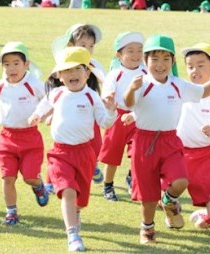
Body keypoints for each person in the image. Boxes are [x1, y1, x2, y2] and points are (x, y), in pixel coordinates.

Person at [123, 34, 210, 244]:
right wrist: (131, 89)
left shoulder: (178, 84)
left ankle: (169, 199)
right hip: (144, 143)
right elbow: (129, 102)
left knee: (181, 180)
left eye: (166, 59)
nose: (160, 64)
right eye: (154, 59)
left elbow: (203, 92)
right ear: (145, 61)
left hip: (171, 141)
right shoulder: (142, 83)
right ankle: (147, 228)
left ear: (173, 62)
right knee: (148, 195)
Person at [29, 46, 117, 251]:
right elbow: (44, 105)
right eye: (66, 71)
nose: (72, 74)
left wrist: (111, 110)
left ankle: (76, 213)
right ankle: (73, 235)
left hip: (85, 153)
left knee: (80, 198)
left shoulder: (92, 97)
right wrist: (37, 115)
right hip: (60, 153)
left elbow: (104, 122)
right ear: (59, 76)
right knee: (67, 190)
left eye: (77, 69)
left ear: (87, 73)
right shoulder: (57, 94)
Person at [0, 42, 48, 225]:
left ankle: (38, 186)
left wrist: (41, 115)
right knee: (8, 177)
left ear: (26, 64)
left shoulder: (33, 84)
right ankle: (11, 213)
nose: (11, 68)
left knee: (29, 177)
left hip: (30, 138)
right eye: (6, 64)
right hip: (7, 138)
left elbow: (49, 99)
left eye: (16, 63)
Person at [176, 43, 210, 242]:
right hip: (177, 151)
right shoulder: (183, 88)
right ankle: (170, 207)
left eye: (200, 65)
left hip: (204, 154)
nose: (194, 70)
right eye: (190, 66)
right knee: (170, 187)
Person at [49, 23, 106, 190]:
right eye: (83, 45)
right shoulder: (63, 63)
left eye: (91, 46)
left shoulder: (93, 64)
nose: (87, 50)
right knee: (60, 148)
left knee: (95, 144)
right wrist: (50, 112)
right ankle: (52, 180)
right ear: (70, 45)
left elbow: (106, 81)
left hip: (90, 111)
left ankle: (92, 164)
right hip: (66, 114)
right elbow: (53, 90)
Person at [99, 32, 146, 201]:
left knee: (139, 151)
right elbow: (107, 93)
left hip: (139, 116)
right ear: (119, 55)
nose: (136, 55)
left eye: (139, 50)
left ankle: (131, 176)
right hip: (118, 117)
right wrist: (109, 100)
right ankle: (108, 185)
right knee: (112, 155)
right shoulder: (115, 74)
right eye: (130, 51)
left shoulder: (146, 72)